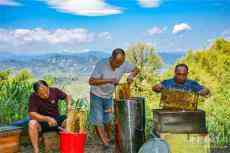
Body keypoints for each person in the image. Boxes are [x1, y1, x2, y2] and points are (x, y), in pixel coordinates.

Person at [89, 48, 139, 150]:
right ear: (111, 58)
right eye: (117, 63)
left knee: (108, 119)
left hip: (108, 96)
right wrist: (108, 80)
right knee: (98, 119)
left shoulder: (123, 64)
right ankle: (105, 143)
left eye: (121, 63)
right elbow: (91, 81)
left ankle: (109, 137)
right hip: (96, 95)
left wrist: (131, 75)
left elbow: (136, 69)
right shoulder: (101, 64)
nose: (119, 66)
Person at [28, 80, 72, 153]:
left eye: (46, 91)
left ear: (48, 87)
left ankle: (67, 145)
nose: (45, 95)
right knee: (32, 123)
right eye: (41, 94)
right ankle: (36, 150)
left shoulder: (54, 90)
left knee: (69, 118)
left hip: (56, 121)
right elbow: (32, 114)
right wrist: (47, 119)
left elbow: (67, 97)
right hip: (42, 123)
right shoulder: (33, 97)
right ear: (36, 93)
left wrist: (69, 105)